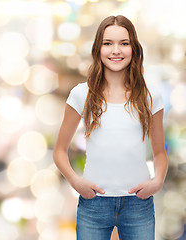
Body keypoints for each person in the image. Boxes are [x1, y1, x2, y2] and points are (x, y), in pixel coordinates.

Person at [53, 15, 168, 240]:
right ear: (98, 49)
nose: (116, 50)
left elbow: (160, 153)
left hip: (138, 204)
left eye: (124, 43)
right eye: (108, 43)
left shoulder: (150, 96)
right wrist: (76, 182)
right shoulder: (81, 94)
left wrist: (157, 182)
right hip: (94, 204)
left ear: (134, 48)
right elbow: (59, 151)